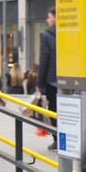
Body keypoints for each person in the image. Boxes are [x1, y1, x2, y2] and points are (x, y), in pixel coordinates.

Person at [37, 8, 58, 148]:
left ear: (56, 18)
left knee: (54, 110)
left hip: (52, 80)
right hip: (68, 78)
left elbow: (44, 59)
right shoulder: (69, 32)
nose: (47, 20)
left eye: (49, 17)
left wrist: (40, 82)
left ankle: (58, 139)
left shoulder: (47, 35)